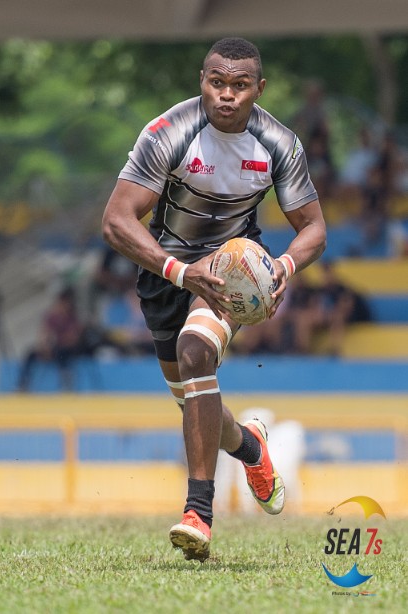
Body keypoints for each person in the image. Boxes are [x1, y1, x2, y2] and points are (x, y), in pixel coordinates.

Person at [102, 37, 327, 562]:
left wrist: (282, 267)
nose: (227, 94)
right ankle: (250, 445)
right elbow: (115, 221)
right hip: (167, 272)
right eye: (217, 82)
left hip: (231, 271)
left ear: (259, 88)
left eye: (239, 85)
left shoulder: (278, 143)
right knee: (194, 401)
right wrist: (182, 272)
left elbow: (314, 228)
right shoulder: (169, 131)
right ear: (201, 82)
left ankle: (197, 513)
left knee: (196, 352)